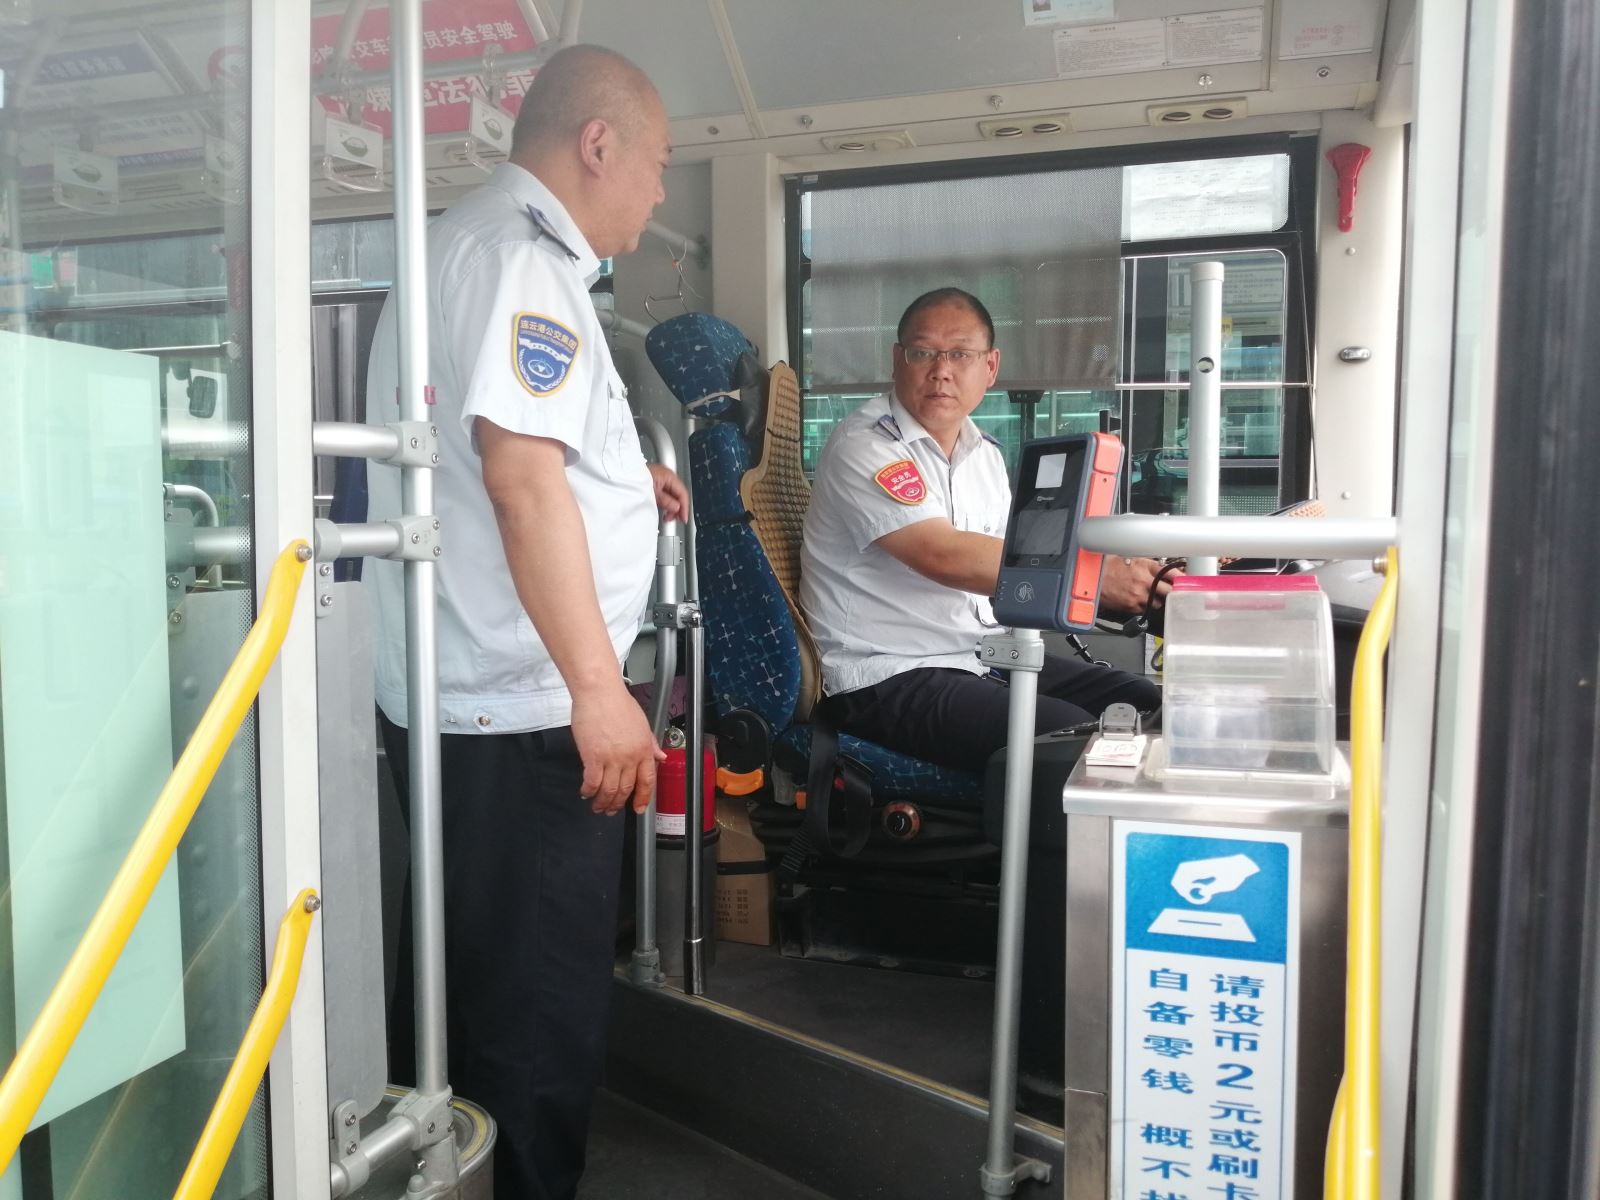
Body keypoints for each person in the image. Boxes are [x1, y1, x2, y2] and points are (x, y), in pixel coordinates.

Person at [364, 45, 686, 1200]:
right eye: (656, 163)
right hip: (524, 713)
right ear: (598, 145)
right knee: (533, 1025)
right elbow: (517, 483)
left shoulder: (461, 244)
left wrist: (623, 483)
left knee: (464, 998)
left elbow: (510, 459)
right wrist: (601, 692)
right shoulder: (525, 263)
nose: (659, 190)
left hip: (465, 700)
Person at [799, 287, 1168, 774]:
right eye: (923, 352)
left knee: (1144, 702)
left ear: (990, 366)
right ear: (897, 360)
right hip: (885, 674)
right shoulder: (866, 445)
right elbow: (942, 553)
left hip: (977, 656)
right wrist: (1099, 581)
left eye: (960, 354)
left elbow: (1014, 559)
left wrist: (1129, 577)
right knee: (1074, 740)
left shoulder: (985, 455)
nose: (941, 370)